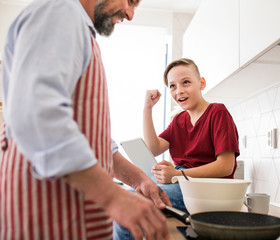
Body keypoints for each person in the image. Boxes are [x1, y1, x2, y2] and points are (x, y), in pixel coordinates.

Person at [0, 0, 170, 240]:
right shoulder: (60, 13)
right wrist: (113, 196)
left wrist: (139, 179)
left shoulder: (79, 29)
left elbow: (90, 137)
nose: (130, 14)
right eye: (131, 1)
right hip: (45, 220)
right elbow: (39, 115)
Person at [115, 58, 240, 239]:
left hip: (205, 189)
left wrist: (176, 174)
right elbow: (153, 148)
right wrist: (147, 108)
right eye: (172, 86)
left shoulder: (217, 112)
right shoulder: (178, 121)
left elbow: (226, 166)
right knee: (127, 198)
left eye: (186, 82)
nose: (179, 90)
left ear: (201, 83)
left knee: (128, 206)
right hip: (181, 183)